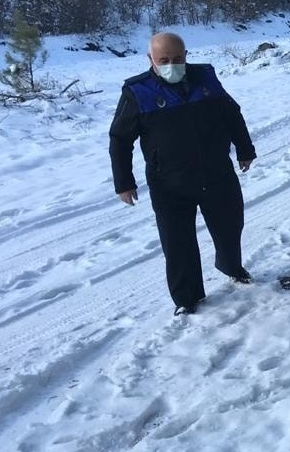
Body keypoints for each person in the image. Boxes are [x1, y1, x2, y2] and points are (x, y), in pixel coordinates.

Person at [109, 32, 256, 316]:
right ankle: (186, 299)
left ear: (186, 56)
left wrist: (245, 149)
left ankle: (232, 267)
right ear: (150, 59)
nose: (171, 65)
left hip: (216, 173)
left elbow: (232, 114)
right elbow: (120, 139)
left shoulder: (206, 80)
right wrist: (124, 183)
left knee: (229, 226)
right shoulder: (137, 92)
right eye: (163, 60)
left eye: (177, 59)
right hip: (169, 182)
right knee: (178, 242)